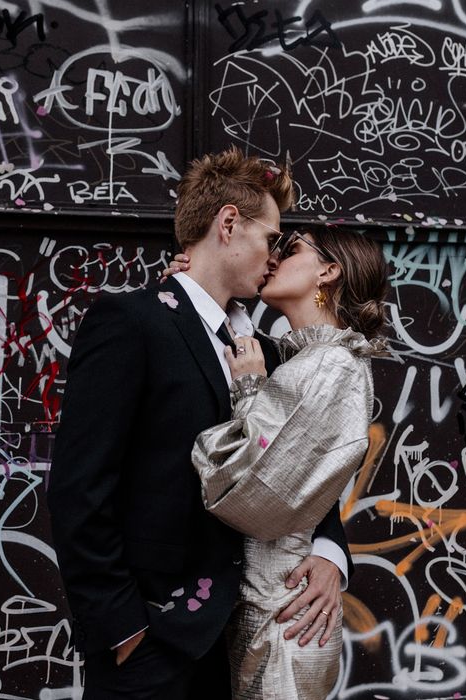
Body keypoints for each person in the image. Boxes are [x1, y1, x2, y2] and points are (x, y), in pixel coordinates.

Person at [46, 146, 353, 700]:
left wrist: (330, 554)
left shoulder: (268, 352)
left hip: (245, 641)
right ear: (229, 224)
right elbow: (78, 488)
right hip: (153, 641)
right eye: (271, 238)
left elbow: (302, 470)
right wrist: (123, 628)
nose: (275, 255)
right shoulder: (131, 322)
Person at [165, 223, 389, 699]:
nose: (272, 258)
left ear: (327, 271)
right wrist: (198, 287)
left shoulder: (331, 365)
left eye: (289, 248)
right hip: (266, 605)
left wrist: (248, 388)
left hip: (283, 617)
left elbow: (251, 488)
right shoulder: (302, 357)